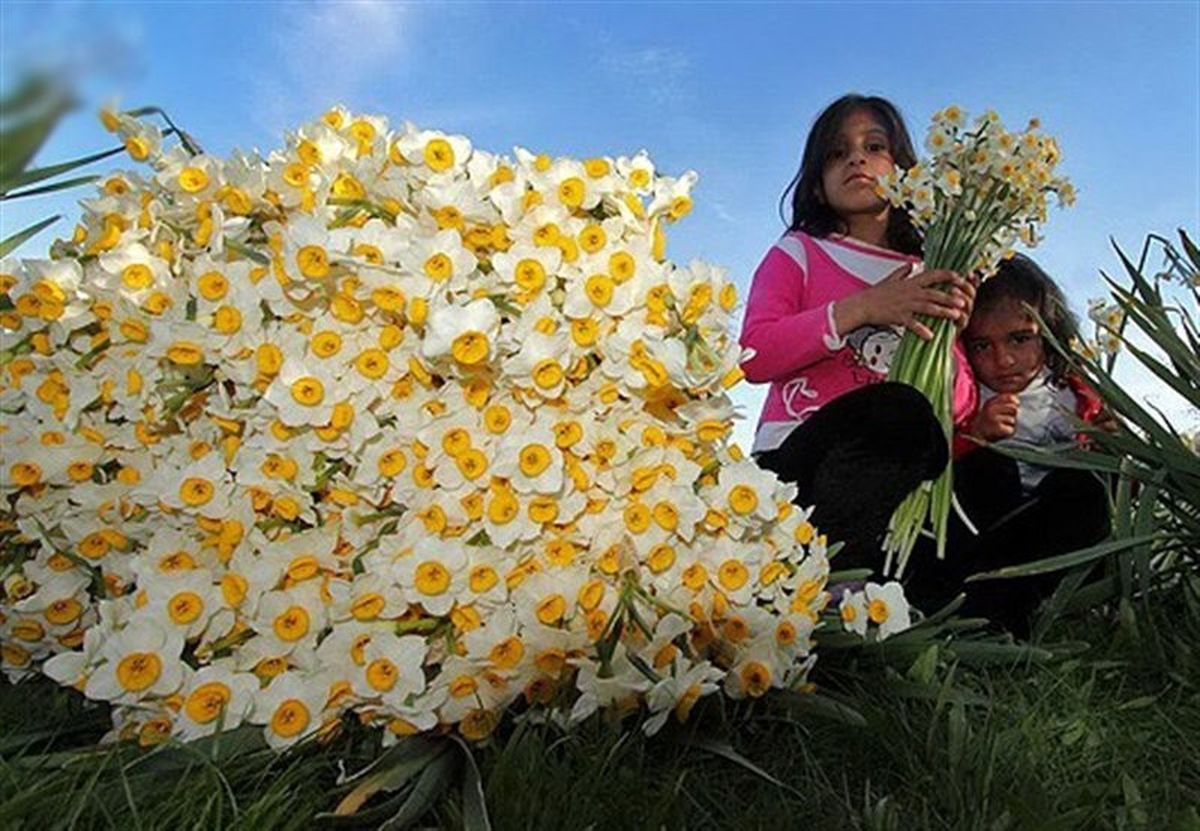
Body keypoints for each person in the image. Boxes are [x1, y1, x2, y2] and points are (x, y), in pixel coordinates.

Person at [738, 94, 977, 573]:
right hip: (796, 463)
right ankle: (829, 585)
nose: (856, 158)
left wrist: (950, 338)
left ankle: (985, 608)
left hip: (894, 479)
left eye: (875, 146)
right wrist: (862, 308)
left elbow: (959, 408)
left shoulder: (928, 269)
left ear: (907, 172)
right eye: (836, 152)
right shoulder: (799, 251)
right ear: (818, 184)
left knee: (989, 471)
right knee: (898, 408)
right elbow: (755, 355)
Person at [907, 254, 1113, 633]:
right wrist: (976, 437)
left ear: (1049, 330)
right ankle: (985, 612)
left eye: (1020, 339)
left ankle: (1071, 602)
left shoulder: (1075, 391)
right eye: (982, 346)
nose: (1003, 360)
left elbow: (1119, 490)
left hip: (1051, 531)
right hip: (985, 539)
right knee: (989, 466)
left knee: (1086, 485)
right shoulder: (960, 394)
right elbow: (929, 474)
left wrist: (1111, 445)